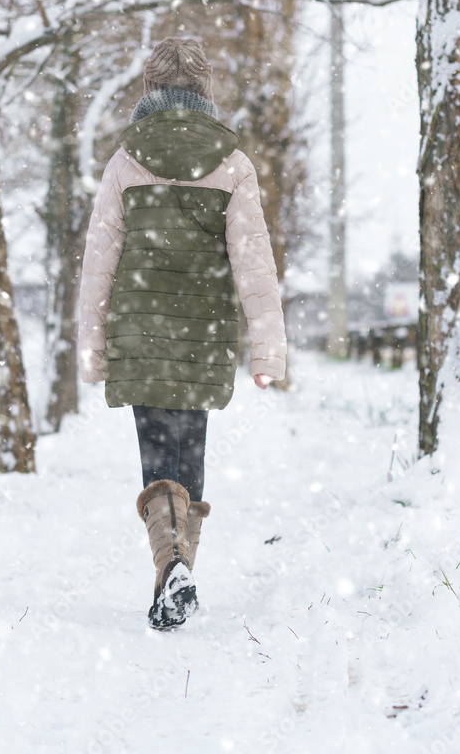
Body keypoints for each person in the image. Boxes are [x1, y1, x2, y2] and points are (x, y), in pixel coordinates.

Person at [78, 36, 287, 630]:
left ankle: (171, 569)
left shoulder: (125, 161)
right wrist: (267, 351)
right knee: (188, 459)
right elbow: (254, 266)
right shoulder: (233, 164)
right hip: (205, 337)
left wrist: (94, 349)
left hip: (138, 337)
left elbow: (101, 263)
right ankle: (178, 569)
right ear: (205, 92)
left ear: (149, 90)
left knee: (156, 463)